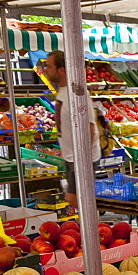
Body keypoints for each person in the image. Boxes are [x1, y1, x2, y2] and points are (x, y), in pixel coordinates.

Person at [45, 50, 99, 208]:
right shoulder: (64, 92)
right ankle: (87, 229)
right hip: (72, 158)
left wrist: (82, 163)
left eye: (49, 66)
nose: (46, 70)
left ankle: (93, 231)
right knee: (75, 200)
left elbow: (90, 129)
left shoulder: (77, 94)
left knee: (77, 200)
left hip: (81, 159)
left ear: (61, 69)